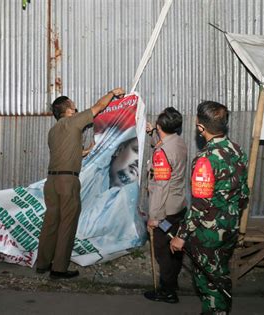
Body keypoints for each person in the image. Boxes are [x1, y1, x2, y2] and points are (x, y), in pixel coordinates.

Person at [36, 87, 126, 279]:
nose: (75, 107)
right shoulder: (73, 121)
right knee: (67, 223)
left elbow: (66, 153)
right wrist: (112, 93)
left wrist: (86, 151)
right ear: (67, 109)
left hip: (51, 181)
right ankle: (59, 268)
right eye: (73, 105)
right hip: (68, 181)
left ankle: (42, 263)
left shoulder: (53, 131)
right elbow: (99, 107)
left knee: (51, 222)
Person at [170, 101, 249, 315]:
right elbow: (244, 194)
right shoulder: (237, 150)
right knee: (220, 274)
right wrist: (228, 213)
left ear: (200, 127)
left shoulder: (205, 159)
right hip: (230, 228)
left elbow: (200, 205)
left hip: (209, 234)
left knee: (208, 283)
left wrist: (181, 236)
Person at [143, 107, 187, 304]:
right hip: (178, 206)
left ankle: (168, 292)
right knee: (175, 247)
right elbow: (163, 146)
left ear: (160, 126)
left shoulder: (161, 152)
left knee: (162, 251)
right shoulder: (179, 142)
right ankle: (173, 282)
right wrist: (153, 133)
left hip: (165, 210)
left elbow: (160, 186)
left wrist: (154, 217)